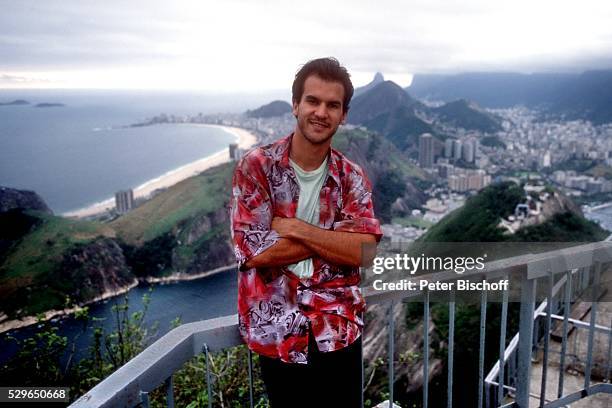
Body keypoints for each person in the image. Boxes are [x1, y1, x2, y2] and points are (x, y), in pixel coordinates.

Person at [230, 57, 382, 407]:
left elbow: (364, 252)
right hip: (279, 330)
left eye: (333, 105)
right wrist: (336, 237)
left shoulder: (351, 177)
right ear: (295, 105)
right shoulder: (257, 167)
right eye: (312, 101)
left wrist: (297, 229)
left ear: (343, 115)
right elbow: (253, 251)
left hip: (338, 328)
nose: (321, 112)